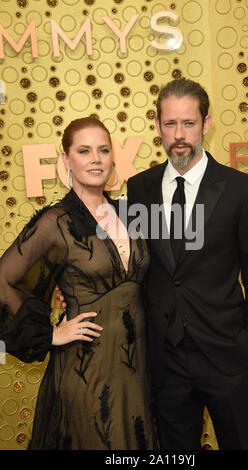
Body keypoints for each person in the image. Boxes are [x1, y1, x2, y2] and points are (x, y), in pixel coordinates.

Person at [126, 78, 248, 450]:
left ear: (206, 124)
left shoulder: (242, 191)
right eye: (171, 124)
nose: (179, 135)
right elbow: (132, 267)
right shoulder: (139, 188)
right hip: (165, 363)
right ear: (158, 125)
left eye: (189, 124)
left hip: (228, 358)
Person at [0, 117, 156, 450]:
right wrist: (50, 333)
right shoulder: (55, 222)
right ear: (66, 160)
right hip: (87, 372)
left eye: (103, 150)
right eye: (84, 151)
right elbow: (2, 279)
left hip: (138, 370)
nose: (96, 159)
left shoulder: (130, 213)